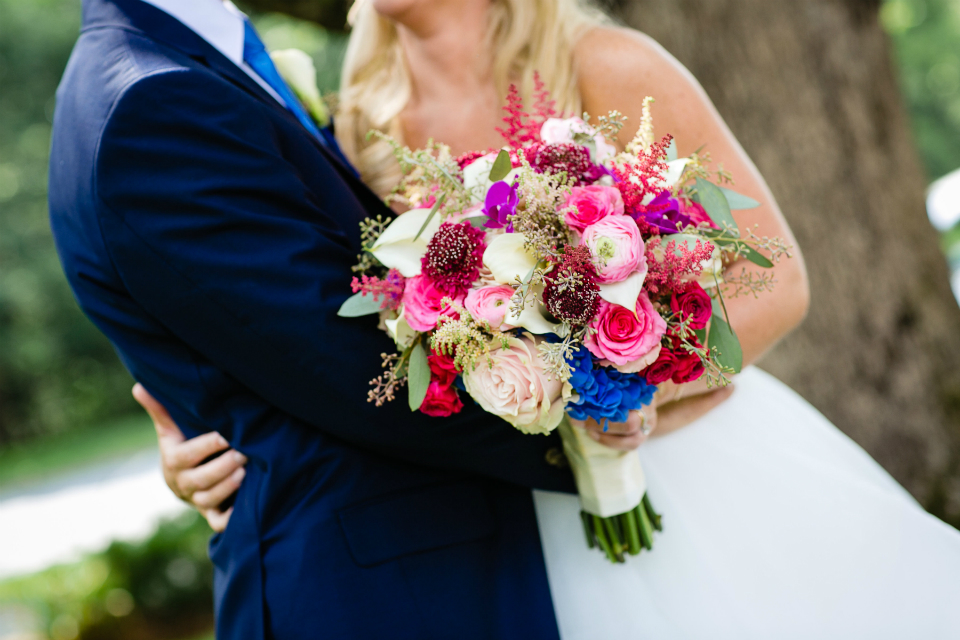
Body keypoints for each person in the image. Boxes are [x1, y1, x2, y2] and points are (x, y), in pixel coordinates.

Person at [149, 0, 960, 637]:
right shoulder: (364, 121)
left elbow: (775, 282)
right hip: (523, 516)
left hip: (703, 465)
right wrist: (197, 436)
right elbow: (307, 320)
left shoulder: (605, 64)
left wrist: (631, 396)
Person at [49, 0, 660, 638]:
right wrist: (593, 404)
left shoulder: (178, 66)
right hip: (383, 592)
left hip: (424, 561)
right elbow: (344, 366)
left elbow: (252, 329)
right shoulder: (152, 102)